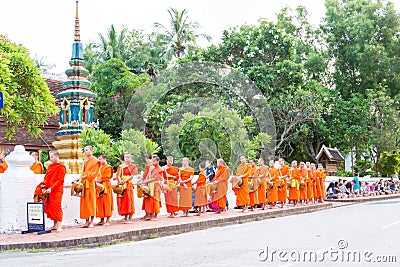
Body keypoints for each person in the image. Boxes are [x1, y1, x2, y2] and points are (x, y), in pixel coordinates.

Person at [34, 150, 66, 232]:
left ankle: (59, 226)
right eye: (50, 157)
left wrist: (52, 188)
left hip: (57, 190)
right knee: (50, 206)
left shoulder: (61, 167)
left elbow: (60, 180)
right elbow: (47, 177)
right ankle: (55, 224)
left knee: (57, 206)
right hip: (48, 189)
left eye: (52, 157)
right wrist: (44, 184)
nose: (50, 158)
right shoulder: (51, 166)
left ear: (56, 156)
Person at [79, 145, 100, 228]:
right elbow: (82, 172)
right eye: (84, 150)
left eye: (87, 150)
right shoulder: (85, 161)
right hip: (84, 184)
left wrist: (85, 176)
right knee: (84, 203)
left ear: (91, 150)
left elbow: (94, 174)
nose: (85, 152)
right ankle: (86, 221)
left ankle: (91, 221)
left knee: (91, 202)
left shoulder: (95, 161)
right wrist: (79, 178)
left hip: (91, 184)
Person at [142, 155, 165, 221]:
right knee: (148, 200)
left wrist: (147, 180)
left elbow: (156, 178)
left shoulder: (160, 169)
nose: (152, 162)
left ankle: (155, 215)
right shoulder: (150, 167)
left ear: (158, 161)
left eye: (154, 161)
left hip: (155, 186)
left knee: (155, 200)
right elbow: (145, 176)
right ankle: (149, 214)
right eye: (152, 161)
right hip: (149, 185)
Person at [117, 153, 137, 223]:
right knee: (124, 201)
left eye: (128, 157)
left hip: (128, 184)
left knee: (129, 200)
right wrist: (120, 180)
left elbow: (132, 176)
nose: (127, 159)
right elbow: (118, 175)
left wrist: (124, 181)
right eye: (125, 157)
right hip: (123, 184)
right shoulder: (121, 166)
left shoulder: (133, 166)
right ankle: (125, 217)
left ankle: (130, 218)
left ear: (131, 158)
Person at [96, 154, 113, 226]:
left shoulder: (108, 167)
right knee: (100, 203)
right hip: (99, 187)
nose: (99, 161)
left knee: (107, 202)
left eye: (100, 159)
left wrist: (98, 180)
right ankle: (101, 219)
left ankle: (108, 220)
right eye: (98, 159)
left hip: (106, 186)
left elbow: (107, 177)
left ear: (104, 159)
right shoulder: (99, 167)